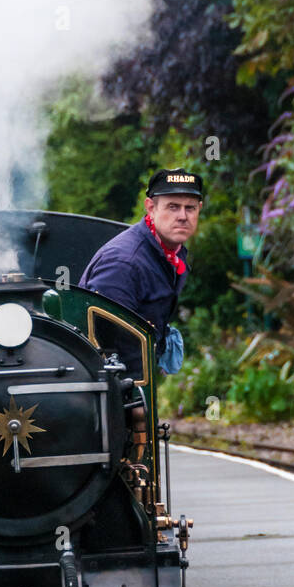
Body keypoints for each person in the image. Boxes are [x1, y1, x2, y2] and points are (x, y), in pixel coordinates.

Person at [79, 168, 202, 450]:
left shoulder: (171, 250)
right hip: (111, 392)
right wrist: (136, 400)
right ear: (151, 207)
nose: (182, 215)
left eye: (190, 208)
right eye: (173, 207)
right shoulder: (125, 263)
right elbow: (114, 336)